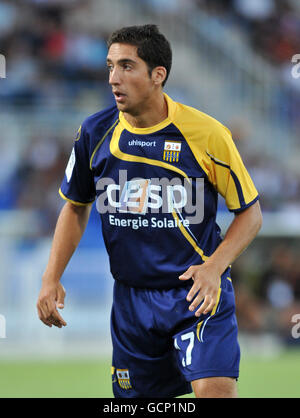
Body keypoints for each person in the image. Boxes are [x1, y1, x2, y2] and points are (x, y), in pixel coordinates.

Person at [36, 24, 263, 398]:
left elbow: (250, 214)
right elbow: (75, 207)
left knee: (216, 391)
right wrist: (51, 277)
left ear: (158, 75)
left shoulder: (207, 134)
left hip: (196, 293)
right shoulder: (94, 133)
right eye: (110, 66)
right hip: (132, 301)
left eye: (126, 66)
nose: (113, 78)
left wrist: (213, 267)